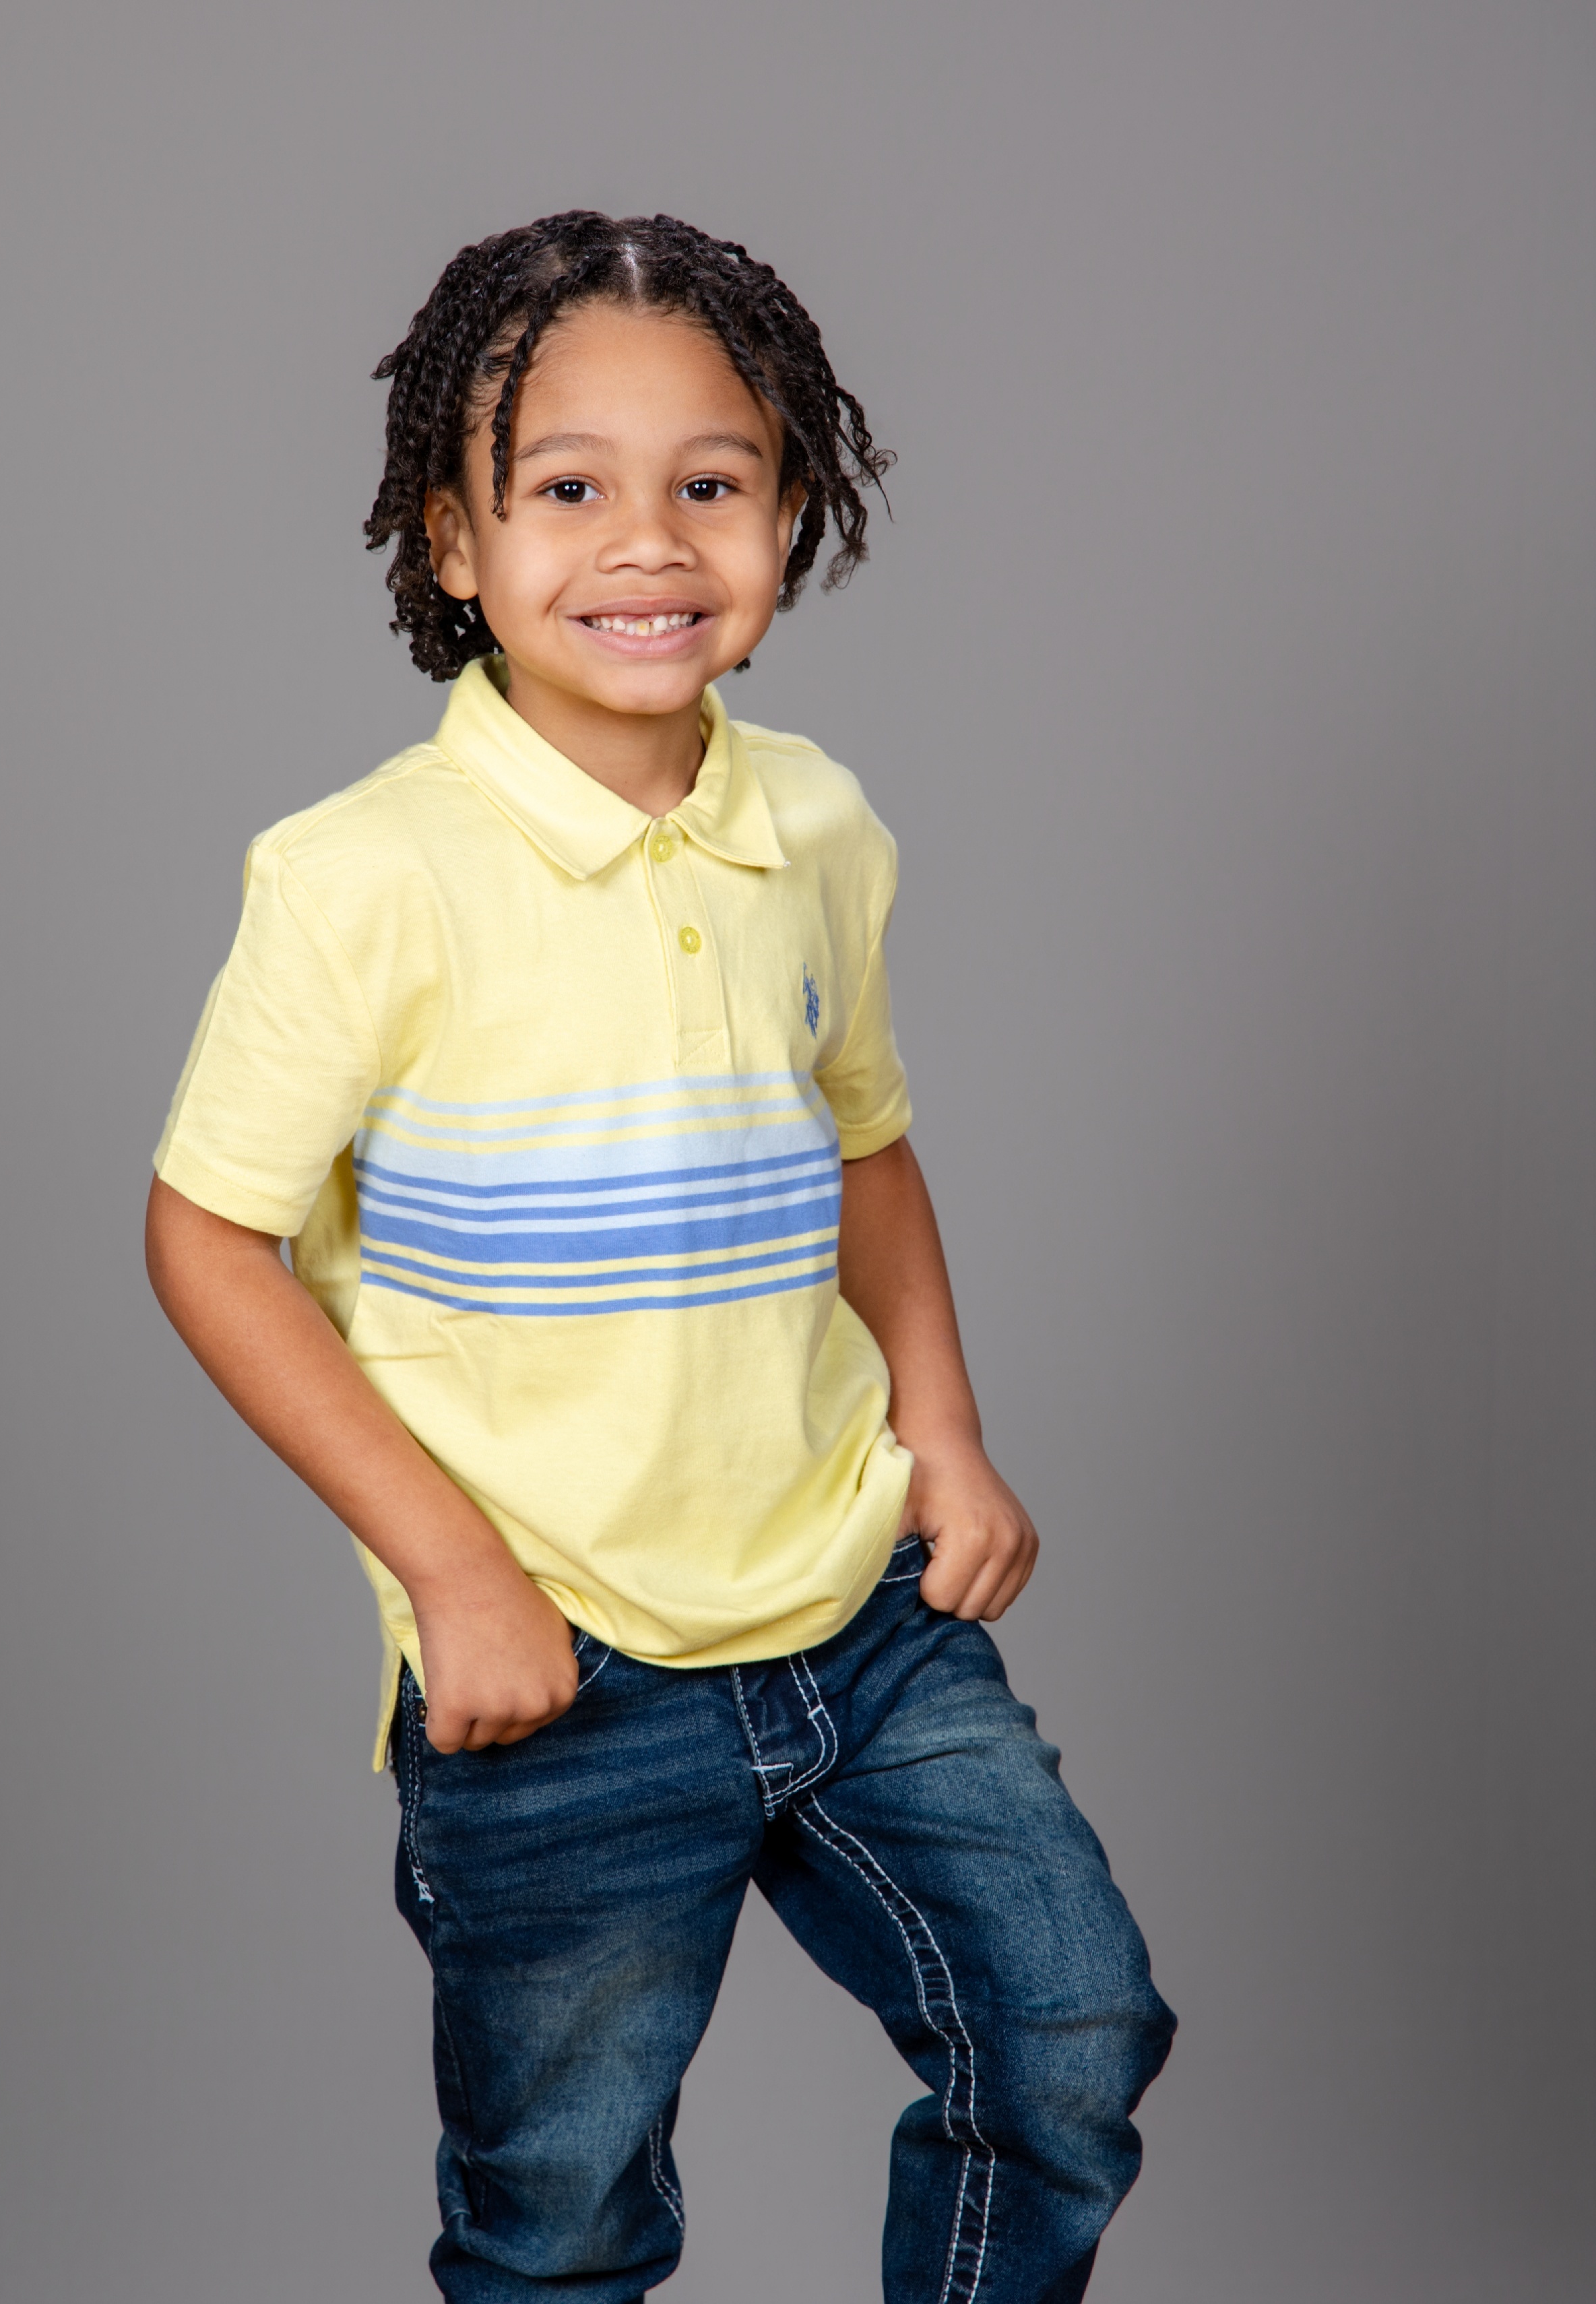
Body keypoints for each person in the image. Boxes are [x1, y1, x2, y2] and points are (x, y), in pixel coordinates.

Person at [146, 210, 1174, 2304]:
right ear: (454, 541)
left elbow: (863, 1143)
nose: (649, 541)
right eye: (566, 488)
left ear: (791, 518)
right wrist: (454, 1575)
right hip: (564, 1662)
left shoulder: (821, 828)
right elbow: (207, 1236)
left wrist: (946, 1430)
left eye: (713, 482)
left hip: (855, 1608)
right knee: (564, 2221)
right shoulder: (363, 877)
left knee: (1067, 2034)